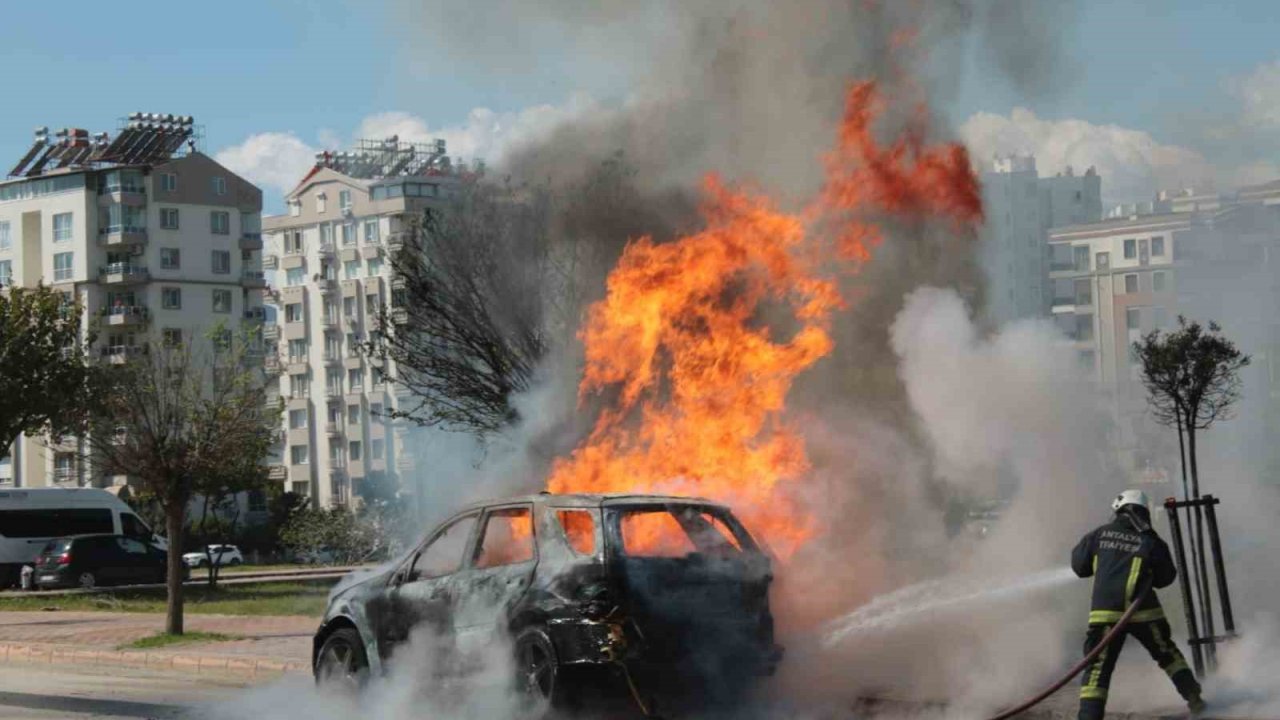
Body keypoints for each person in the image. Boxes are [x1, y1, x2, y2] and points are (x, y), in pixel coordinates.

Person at [1071, 489, 1205, 719]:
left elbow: (1079, 567)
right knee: (1167, 654)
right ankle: (1195, 699)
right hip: (1145, 613)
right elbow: (1166, 578)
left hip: (1105, 614)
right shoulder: (1150, 540)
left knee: (1097, 669)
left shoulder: (1099, 535)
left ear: (1118, 510)